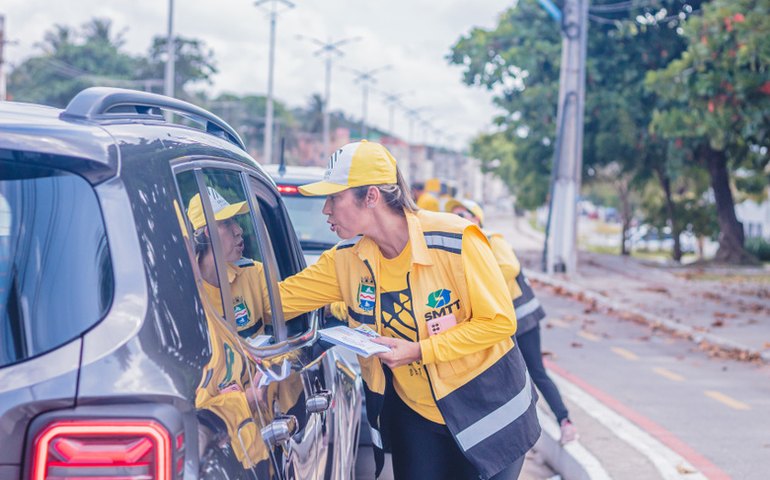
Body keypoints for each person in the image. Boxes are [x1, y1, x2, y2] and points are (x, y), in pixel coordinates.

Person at [279, 140, 540, 480]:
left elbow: (499, 322)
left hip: (489, 411)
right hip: (418, 419)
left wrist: (420, 351)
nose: (325, 209)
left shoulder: (456, 240)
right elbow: (276, 301)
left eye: (335, 197)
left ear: (371, 196)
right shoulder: (346, 261)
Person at [445, 198, 578, 444]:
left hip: (522, 319)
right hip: (494, 327)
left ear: (477, 219)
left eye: (463, 213)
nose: (458, 217)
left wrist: (477, 284)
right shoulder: (458, 249)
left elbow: (510, 267)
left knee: (536, 371)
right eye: (454, 214)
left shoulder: (492, 239)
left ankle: (565, 421)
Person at [187, 187, 271, 339]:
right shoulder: (187, 289)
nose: (239, 230)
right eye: (226, 223)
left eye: (235, 221)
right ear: (209, 233)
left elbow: (290, 309)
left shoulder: (254, 273)